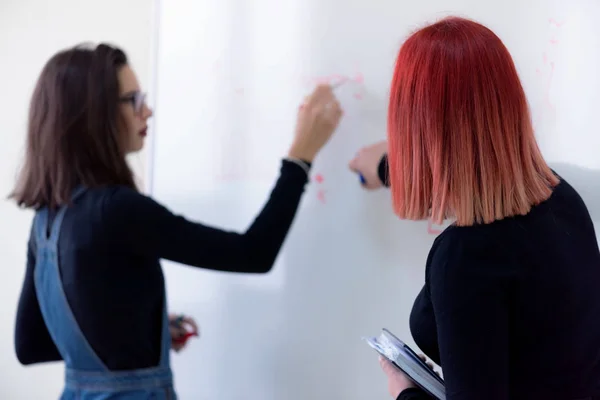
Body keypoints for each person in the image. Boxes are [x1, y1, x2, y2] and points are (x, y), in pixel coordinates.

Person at [11, 43, 342, 399]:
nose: (148, 111)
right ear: (97, 112)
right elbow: (253, 253)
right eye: (134, 100)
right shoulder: (119, 210)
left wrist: (132, 334)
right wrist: (300, 157)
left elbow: (31, 345)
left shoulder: (48, 218)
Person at [350, 17, 600, 400]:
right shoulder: (564, 200)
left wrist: (405, 392)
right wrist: (387, 168)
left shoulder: (465, 259)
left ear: (416, 129)